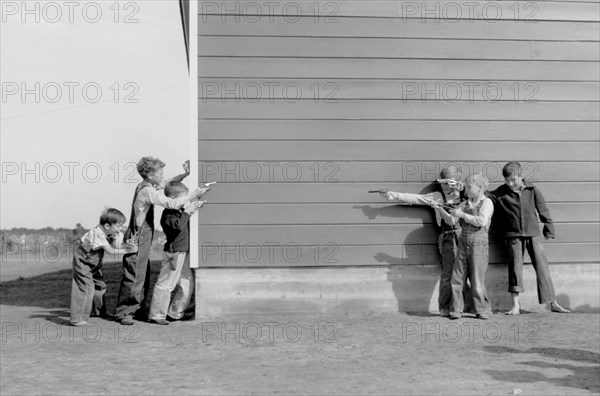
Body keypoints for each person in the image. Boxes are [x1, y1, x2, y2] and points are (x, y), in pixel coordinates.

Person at [115, 157, 208, 325]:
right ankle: (124, 312)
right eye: (160, 173)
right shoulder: (147, 191)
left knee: (143, 273)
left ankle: (138, 309)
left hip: (145, 232)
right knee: (135, 273)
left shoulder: (149, 184)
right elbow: (170, 201)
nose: (162, 176)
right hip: (139, 234)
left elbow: (168, 182)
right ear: (150, 175)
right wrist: (193, 195)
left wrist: (185, 174)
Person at [379, 165, 474, 317]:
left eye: (450, 182)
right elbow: (414, 198)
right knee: (448, 274)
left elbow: (484, 194)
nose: (445, 186)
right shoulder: (437, 196)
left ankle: (469, 306)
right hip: (448, 237)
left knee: (467, 273)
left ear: (458, 181)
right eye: (443, 182)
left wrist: (462, 188)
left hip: (467, 237)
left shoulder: (468, 194)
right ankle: (445, 308)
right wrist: (391, 194)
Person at [488, 161, 570, 315]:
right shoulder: (501, 192)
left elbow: (543, 209)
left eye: (513, 180)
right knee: (515, 269)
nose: (510, 183)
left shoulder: (532, 190)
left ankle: (553, 302)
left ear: (521, 176)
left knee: (542, 267)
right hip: (513, 236)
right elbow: (484, 195)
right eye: (507, 180)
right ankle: (516, 306)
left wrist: (549, 228)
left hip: (533, 234)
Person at [435, 174, 493, 320]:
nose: (466, 190)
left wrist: (462, 214)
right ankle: (456, 310)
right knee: (457, 278)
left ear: (479, 188)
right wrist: (440, 209)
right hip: (462, 244)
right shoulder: (464, 204)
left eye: (469, 187)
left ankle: (481, 310)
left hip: (479, 245)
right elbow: (452, 220)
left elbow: (481, 221)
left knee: (477, 280)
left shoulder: (487, 202)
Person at [148, 181, 204, 325]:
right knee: (166, 284)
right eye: (182, 198)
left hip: (183, 251)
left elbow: (184, 224)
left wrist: (191, 211)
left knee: (187, 283)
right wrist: (186, 212)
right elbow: (178, 227)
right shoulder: (168, 214)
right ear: (172, 198)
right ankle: (156, 315)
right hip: (174, 252)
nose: (184, 201)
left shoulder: (179, 212)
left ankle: (175, 313)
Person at [70, 208, 136, 326]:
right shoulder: (97, 233)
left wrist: (126, 244)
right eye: (119, 226)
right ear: (107, 225)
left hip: (93, 265)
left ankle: (98, 311)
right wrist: (126, 250)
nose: (121, 229)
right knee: (86, 288)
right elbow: (110, 251)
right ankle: (77, 318)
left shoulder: (107, 233)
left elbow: (116, 245)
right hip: (83, 263)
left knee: (100, 287)